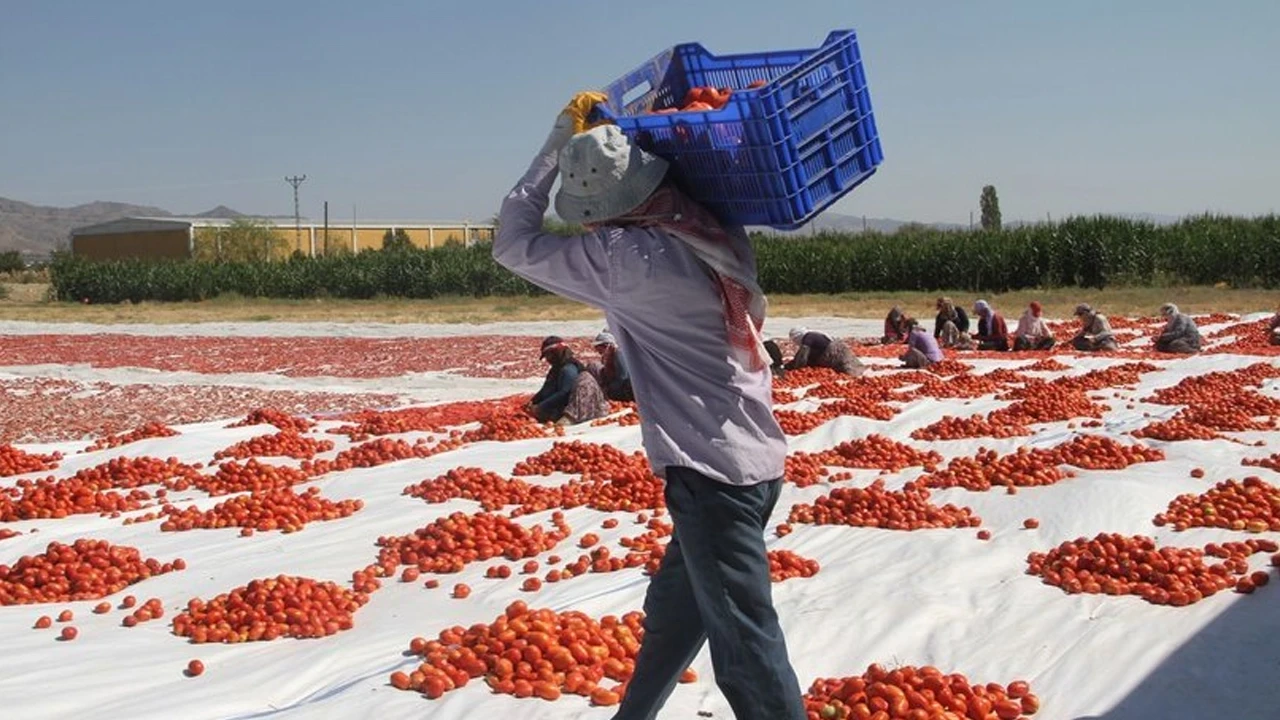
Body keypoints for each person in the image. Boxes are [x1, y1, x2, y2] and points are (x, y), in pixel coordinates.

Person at [492, 94, 806, 720]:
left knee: (746, 650)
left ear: (603, 213)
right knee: (673, 615)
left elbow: (511, 241)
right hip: (752, 464)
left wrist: (556, 148)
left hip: (712, 478)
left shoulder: (627, 260)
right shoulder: (711, 226)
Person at [527, 335, 610, 424]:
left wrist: (541, 406)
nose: (547, 359)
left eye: (548, 355)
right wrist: (533, 401)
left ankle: (569, 418)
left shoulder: (569, 368)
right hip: (563, 403)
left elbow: (565, 392)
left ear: (555, 353)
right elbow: (546, 389)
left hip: (577, 407)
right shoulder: (555, 369)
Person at [785, 327, 867, 376]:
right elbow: (801, 356)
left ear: (798, 336)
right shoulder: (813, 337)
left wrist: (797, 369)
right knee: (844, 368)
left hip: (836, 352)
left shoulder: (808, 337)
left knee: (849, 368)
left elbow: (803, 356)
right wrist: (788, 366)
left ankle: (859, 376)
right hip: (834, 353)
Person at [588, 329, 635, 401]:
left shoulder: (619, 354)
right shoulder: (609, 355)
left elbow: (622, 377)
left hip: (626, 388)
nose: (598, 351)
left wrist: (609, 389)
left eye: (599, 348)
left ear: (606, 345)